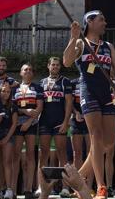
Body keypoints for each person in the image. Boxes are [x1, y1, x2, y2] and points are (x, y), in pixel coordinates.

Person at [63, 10, 115, 199]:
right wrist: (73, 38)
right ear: (89, 22)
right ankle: (101, 186)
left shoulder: (108, 46)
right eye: (101, 19)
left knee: (108, 143)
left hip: (106, 94)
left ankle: (77, 177)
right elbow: (66, 61)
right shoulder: (82, 43)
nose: (105, 23)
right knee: (96, 137)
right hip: (88, 91)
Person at [38, 57, 73, 197]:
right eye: (53, 64)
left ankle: (65, 187)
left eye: (57, 65)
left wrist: (66, 122)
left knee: (62, 154)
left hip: (60, 122)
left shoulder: (65, 81)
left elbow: (69, 103)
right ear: (48, 66)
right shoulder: (41, 82)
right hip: (45, 122)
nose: (55, 67)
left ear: (60, 67)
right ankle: (42, 187)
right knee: (43, 155)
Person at [12, 63, 44, 199]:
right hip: (17, 124)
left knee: (31, 155)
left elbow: (39, 108)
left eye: (30, 70)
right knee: (16, 156)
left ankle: (28, 189)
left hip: (32, 123)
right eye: (25, 70)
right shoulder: (15, 89)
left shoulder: (38, 87)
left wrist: (29, 121)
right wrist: (25, 111)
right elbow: (13, 107)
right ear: (20, 72)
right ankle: (12, 189)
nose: (28, 72)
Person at [0, 82, 17, 199]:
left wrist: (7, 138)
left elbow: (14, 124)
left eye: (8, 91)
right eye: (3, 91)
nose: (5, 93)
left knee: (7, 162)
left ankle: (9, 190)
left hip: (8, 135)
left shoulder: (13, 105)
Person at [70, 77, 90, 170]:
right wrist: (76, 112)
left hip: (90, 118)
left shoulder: (93, 80)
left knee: (90, 153)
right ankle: (77, 182)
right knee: (77, 153)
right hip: (76, 120)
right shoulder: (73, 82)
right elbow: (69, 102)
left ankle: (89, 183)